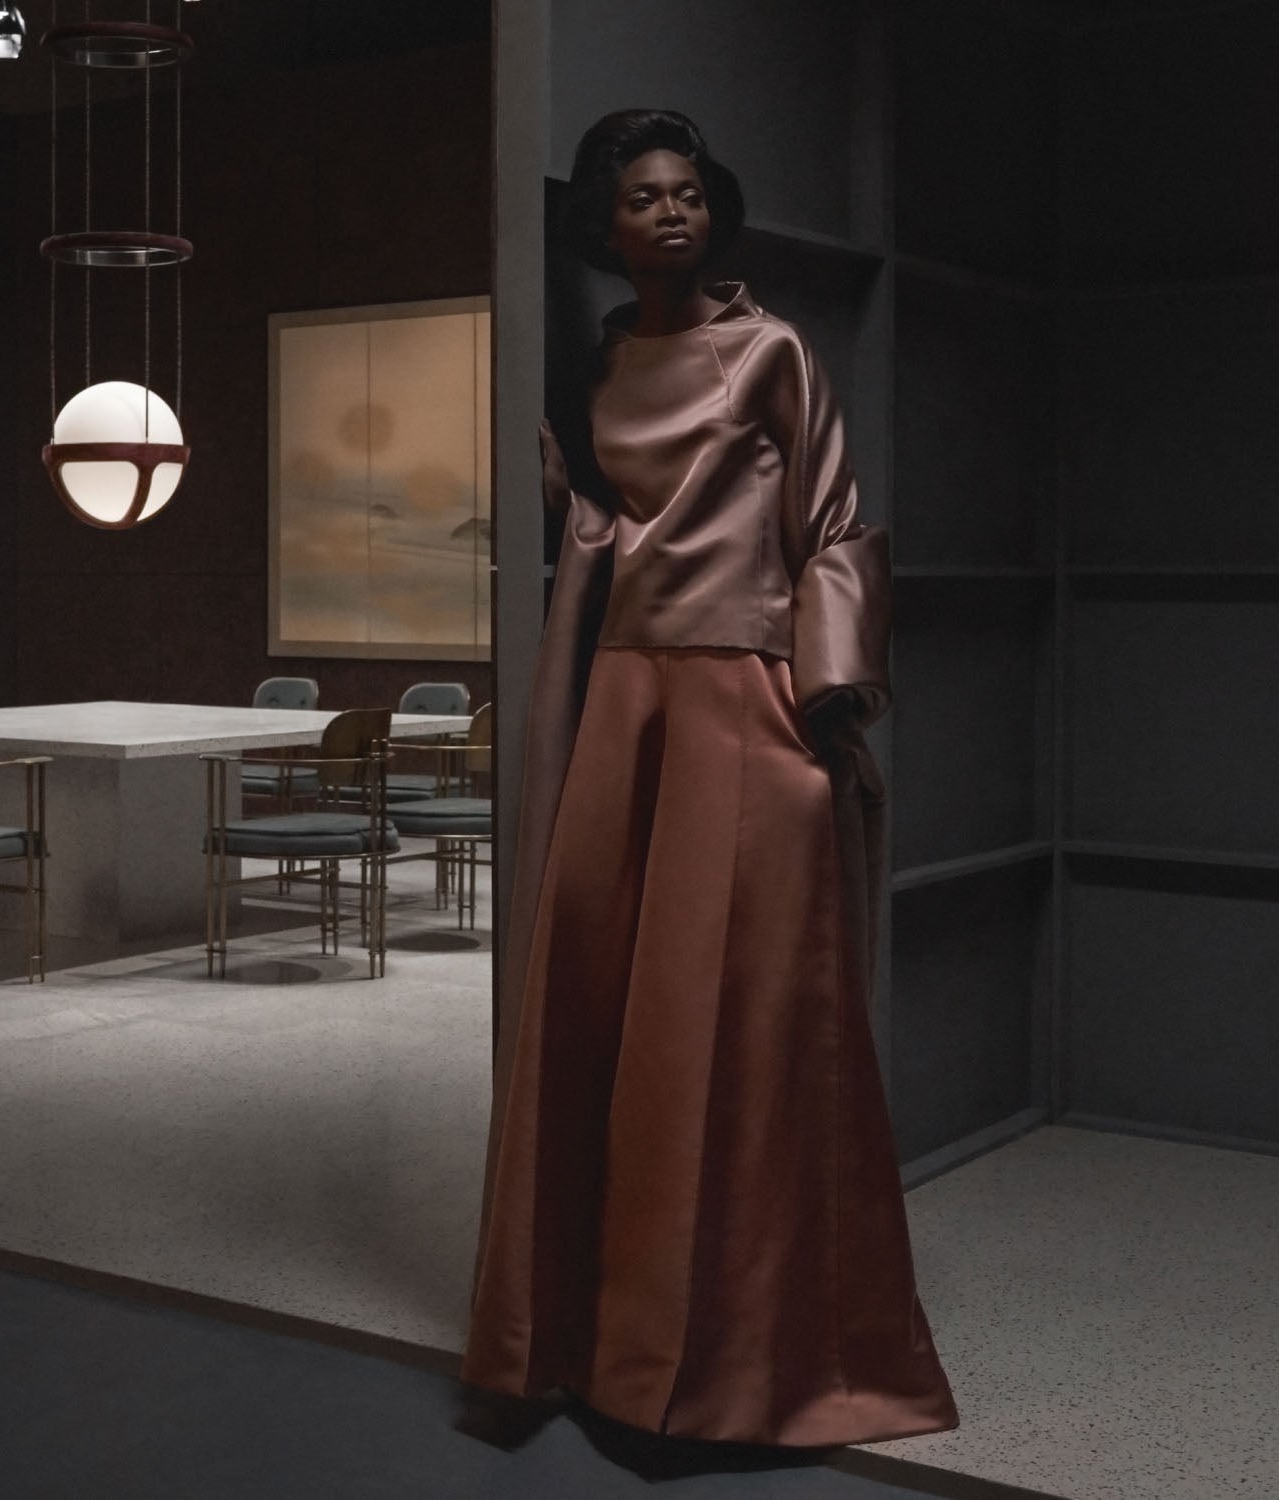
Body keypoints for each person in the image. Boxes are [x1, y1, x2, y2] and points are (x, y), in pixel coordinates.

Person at [461, 108, 958, 1448]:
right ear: (606, 227)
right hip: (623, 708)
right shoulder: (606, 359)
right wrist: (560, 497)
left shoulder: (774, 352)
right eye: (642, 197)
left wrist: (826, 697)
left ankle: (724, 1368)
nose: (670, 212)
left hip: (745, 708)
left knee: (727, 1038)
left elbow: (836, 529)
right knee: (609, 1021)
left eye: (687, 192)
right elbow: (608, 531)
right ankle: (590, 1351)